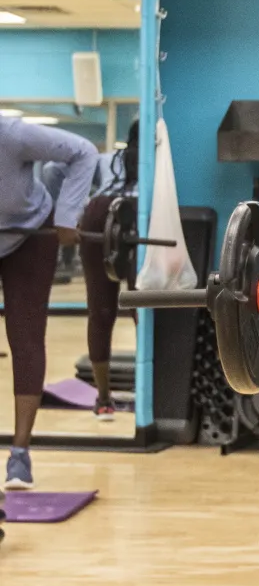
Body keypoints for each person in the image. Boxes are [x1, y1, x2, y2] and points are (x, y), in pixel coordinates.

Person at [0, 117, 99, 488]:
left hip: (29, 234)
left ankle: (20, 454)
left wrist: (67, 215)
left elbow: (83, 152)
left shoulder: (13, 135)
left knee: (25, 337)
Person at [77, 118, 139, 420]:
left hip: (96, 211)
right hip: (135, 213)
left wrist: (68, 211)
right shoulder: (158, 161)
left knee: (99, 310)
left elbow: (51, 171)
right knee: (143, 308)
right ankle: (147, 389)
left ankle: (103, 399)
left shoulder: (107, 158)